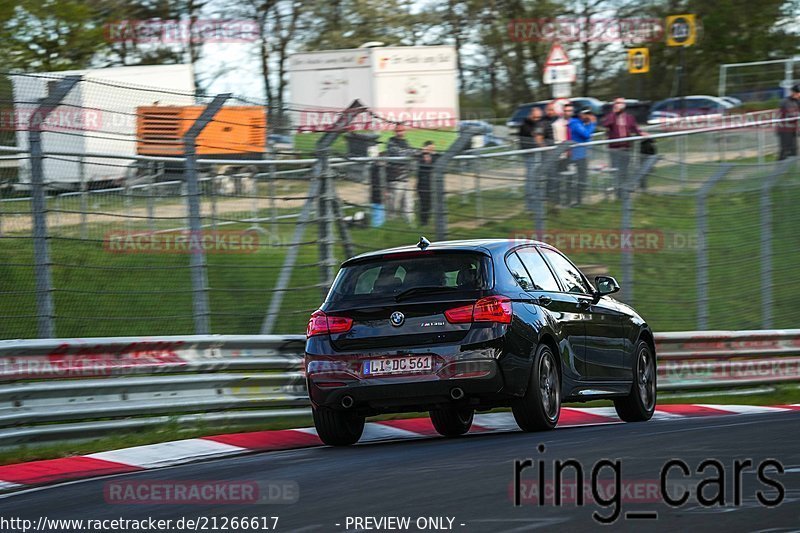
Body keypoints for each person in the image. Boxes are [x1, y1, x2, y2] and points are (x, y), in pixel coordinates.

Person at [602, 97, 646, 198]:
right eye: (617, 103)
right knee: (616, 171)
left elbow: (635, 128)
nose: (620, 105)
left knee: (624, 170)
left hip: (626, 148)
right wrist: (614, 113)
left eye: (621, 103)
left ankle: (624, 191)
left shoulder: (629, 117)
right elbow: (606, 124)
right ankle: (618, 193)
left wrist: (641, 133)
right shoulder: (611, 117)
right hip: (614, 149)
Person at [568, 107, 597, 206]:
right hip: (577, 155)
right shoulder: (575, 123)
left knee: (583, 178)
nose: (589, 116)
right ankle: (575, 200)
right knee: (580, 178)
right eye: (587, 114)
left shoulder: (581, 123)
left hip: (583, 154)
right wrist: (592, 124)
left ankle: (578, 200)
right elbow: (586, 135)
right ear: (581, 114)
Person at [386, 124, 415, 223]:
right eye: (398, 131)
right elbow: (399, 153)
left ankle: (410, 225)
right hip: (395, 179)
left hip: (405, 178)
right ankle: (390, 224)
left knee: (408, 204)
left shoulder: (405, 142)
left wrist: (411, 152)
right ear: (395, 132)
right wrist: (411, 152)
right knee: (393, 206)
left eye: (402, 130)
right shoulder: (391, 142)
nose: (400, 132)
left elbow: (410, 152)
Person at [545, 102, 568, 206]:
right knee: (552, 177)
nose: (550, 112)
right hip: (552, 154)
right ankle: (551, 199)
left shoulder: (562, 122)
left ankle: (559, 199)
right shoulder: (549, 123)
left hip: (562, 153)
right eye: (549, 110)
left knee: (560, 177)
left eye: (552, 110)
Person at [417, 141, 438, 225]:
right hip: (423, 183)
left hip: (431, 183)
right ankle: (423, 222)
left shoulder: (434, 156)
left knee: (429, 204)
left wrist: (432, 154)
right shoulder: (420, 156)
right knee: (424, 204)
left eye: (433, 149)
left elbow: (437, 158)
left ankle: (426, 221)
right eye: (430, 148)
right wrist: (424, 153)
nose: (432, 150)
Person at [777, 84, 800, 160]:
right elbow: (791, 115)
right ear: (793, 92)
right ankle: (779, 171)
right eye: (798, 93)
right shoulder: (786, 102)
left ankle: (791, 169)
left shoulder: (797, 101)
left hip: (793, 130)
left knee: (794, 151)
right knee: (785, 151)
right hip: (784, 130)